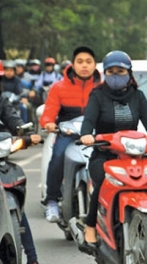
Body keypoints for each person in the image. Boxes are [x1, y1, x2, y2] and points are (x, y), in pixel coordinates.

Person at [79, 50, 147, 251]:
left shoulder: (138, 96)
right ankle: (91, 226)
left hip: (132, 155)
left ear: (129, 73)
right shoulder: (97, 95)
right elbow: (88, 120)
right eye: (111, 71)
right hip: (104, 154)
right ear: (105, 73)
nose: (116, 75)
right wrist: (86, 134)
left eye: (121, 71)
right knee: (99, 184)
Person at [40, 46, 101, 223]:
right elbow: (49, 112)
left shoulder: (102, 87)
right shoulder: (59, 87)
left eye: (88, 62)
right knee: (57, 156)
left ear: (94, 65)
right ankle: (52, 200)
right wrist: (49, 123)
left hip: (95, 136)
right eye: (80, 62)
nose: (84, 66)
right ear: (72, 65)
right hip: (67, 133)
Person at [0, 85, 42, 264]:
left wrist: (27, 133)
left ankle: (32, 259)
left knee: (14, 195)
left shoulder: (1, 99)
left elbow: (13, 118)